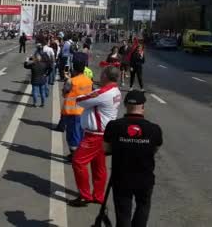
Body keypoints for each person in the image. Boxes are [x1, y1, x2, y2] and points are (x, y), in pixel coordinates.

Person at [104, 90, 162, 227]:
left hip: (121, 177)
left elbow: (106, 149)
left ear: (125, 105)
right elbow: (155, 149)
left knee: (123, 212)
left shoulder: (114, 126)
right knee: (143, 207)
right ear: (143, 106)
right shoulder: (154, 129)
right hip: (145, 178)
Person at [69, 66, 122, 207]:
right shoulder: (115, 90)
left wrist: (92, 92)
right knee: (99, 167)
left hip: (94, 135)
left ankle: (84, 195)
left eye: (102, 74)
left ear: (105, 76)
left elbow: (80, 100)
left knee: (78, 162)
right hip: (105, 134)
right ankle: (98, 196)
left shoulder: (103, 92)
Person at [61, 60, 94, 159]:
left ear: (74, 69)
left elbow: (64, 93)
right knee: (80, 133)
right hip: (84, 110)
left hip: (72, 112)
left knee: (72, 135)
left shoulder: (71, 81)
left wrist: (67, 80)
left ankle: (75, 156)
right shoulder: (89, 81)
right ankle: (78, 153)